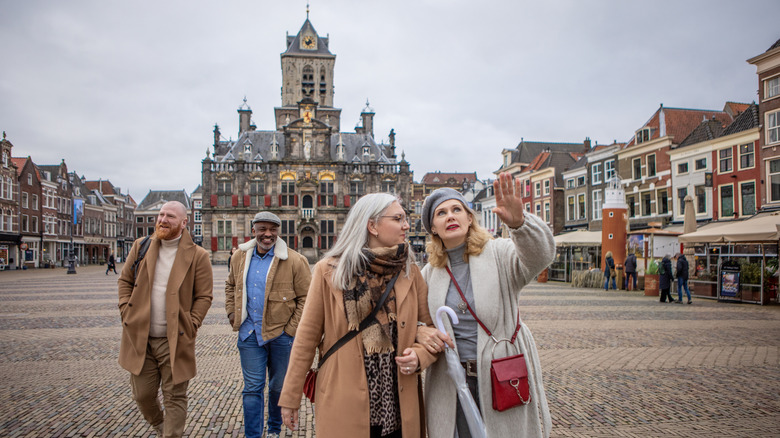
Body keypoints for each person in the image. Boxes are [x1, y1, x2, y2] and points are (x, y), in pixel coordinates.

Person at [278, 193, 437, 438]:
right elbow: (306, 338)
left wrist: (420, 355)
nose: (406, 225)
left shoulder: (410, 271)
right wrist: (290, 397)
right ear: (372, 225)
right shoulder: (329, 270)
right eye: (398, 218)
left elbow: (428, 330)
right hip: (343, 398)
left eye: (405, 218)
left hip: (397, 403)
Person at [416, 173, 555, 438]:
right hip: (452, 381)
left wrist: (520, 224)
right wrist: (419, 331)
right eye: (441, 213)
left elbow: (541, 256)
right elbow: (412, 319)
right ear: (433, 228)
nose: (450, 216)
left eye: (457, 209)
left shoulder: (500, 254)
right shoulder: (429, 273)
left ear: (470, 218)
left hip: (500, 375)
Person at [117, 201, 213, 437]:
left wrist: (192, 323)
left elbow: (204, 296)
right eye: (161, 215)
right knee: (142, 395)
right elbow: (124, 281)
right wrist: (125, 311)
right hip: (140, 337)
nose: (162, 220)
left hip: (175, 338)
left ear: (183, 222)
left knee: (175, 396)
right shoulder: (141, 246)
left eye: (170, 216)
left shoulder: (198, 255)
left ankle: (171, 434)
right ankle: (161, 427)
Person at [225, 212, 312, 438]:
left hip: (281, 335)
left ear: (278, 232)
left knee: (277, 387)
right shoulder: (239, 257)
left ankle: (273, 428)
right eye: (262, 229)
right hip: (249, 334)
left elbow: (307, 298)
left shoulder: (295, 260)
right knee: (252, 388)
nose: (267, 234)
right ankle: (253, 435)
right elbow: (230, 286)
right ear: (253, 230)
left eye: (272, 229)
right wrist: (232, 313)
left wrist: (290, 330)